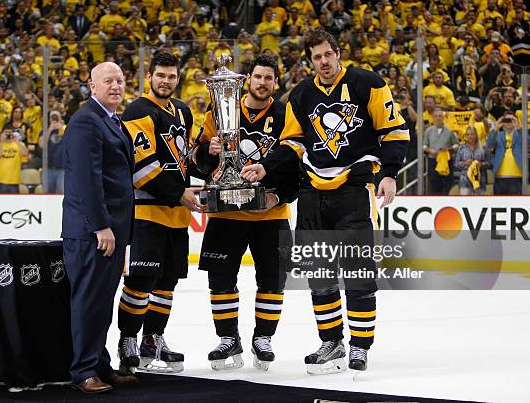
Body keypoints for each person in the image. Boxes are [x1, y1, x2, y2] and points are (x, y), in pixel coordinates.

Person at [241, 28, 410, 374]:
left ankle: (360, 346)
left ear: (337, 52)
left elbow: (393, 130)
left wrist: (389, 173)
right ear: (310, 60)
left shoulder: (369, 84)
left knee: (358, 271)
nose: (323, 62)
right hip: (312, 194)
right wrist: (265, 168)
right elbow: (291, 144)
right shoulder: (301, 94)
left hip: (355, 190)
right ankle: (331, 342)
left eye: (327, 55)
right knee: (319, 274)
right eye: (316, 57)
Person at [193, 55, 296, 371]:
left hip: (271, 214)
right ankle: (228, 339)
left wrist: (278, 195)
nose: (263, 83)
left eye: (269, 78)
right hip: (227, 214)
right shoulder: (220, 110)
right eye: (258, 76)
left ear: (275, 82)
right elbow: (198, 161)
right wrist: (207, 152)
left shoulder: (285, 115)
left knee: (273, 280)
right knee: (220, 280)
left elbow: (294, 164)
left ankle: (263, 338)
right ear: (247, 79)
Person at [117, 52, 202, 375]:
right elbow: (142, 166)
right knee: (140, 281)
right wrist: (179, 193)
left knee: (166, 284)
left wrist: (208, 154)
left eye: (171, 76)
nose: (166, 81)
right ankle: (127, 339)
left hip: (176, 215)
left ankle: (153, 339)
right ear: (149, 76)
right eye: (160, 75)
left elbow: (187, 157)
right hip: (147, 212)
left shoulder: (182, 111)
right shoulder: (138, 110)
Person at [61, 62, 136, 393]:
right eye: (108, 81)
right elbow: (87, 181)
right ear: (92, 86)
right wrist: (101, 226)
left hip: (110, 233)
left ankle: (100, 366)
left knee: (102, 304)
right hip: (93, 234)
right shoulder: (85, 123)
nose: (116, 86)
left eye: (120, 81)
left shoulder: (112, 121)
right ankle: (83, 372)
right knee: (89, 302)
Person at [486, 111, 529, 195]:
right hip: (500, 176)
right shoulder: (498, 134)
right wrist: (496, 128)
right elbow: (489, 144)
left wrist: (519, 127)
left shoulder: (520, 135)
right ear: (503, 121)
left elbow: (528, 142)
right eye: (507, 120)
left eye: (511, 120)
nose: (509, 122)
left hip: (517, 176)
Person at [423, 108, 459, 195]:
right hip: (433, 161)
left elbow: (457, 145)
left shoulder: (449, 130)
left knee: (446, 183)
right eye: (436, 116)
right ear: (433, 118)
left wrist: (449, 149)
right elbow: (424, 146)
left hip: (446, 161)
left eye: (440, 116)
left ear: (443, 117)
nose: (438, 118)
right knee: (434, 184)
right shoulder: (429, 131)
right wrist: (430, 150)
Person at [455, 126, 490, 195]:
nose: (469, 136)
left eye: (471, 134)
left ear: (476, 135)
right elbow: (456, 164)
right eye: (467, 134)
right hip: (465, 181)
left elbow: (489, 163)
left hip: (479, 180)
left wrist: (482, 164)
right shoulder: (462, 148)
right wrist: (465, 163)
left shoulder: (483, 147)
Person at [0, 124, 29, 193]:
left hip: (14, 181)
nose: (8, 135)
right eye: (6, 132)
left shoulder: (19, 145)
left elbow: (25, 153)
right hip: (0, 180)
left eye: (10, 133)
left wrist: (17, 141)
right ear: (1, 134)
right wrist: (1, 142)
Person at [39, 110, 66, 193]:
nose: (55, 120)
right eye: (52, 118)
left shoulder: (66, 129)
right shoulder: (44, 131)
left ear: (61, 119)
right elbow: (41, 145)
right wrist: (50, 129)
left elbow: (71, 143)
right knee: (47, 194)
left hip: (62, 168)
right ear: (49, 120)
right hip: (48, 168)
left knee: (62, 194)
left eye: (57, 118)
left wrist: (61, 128)